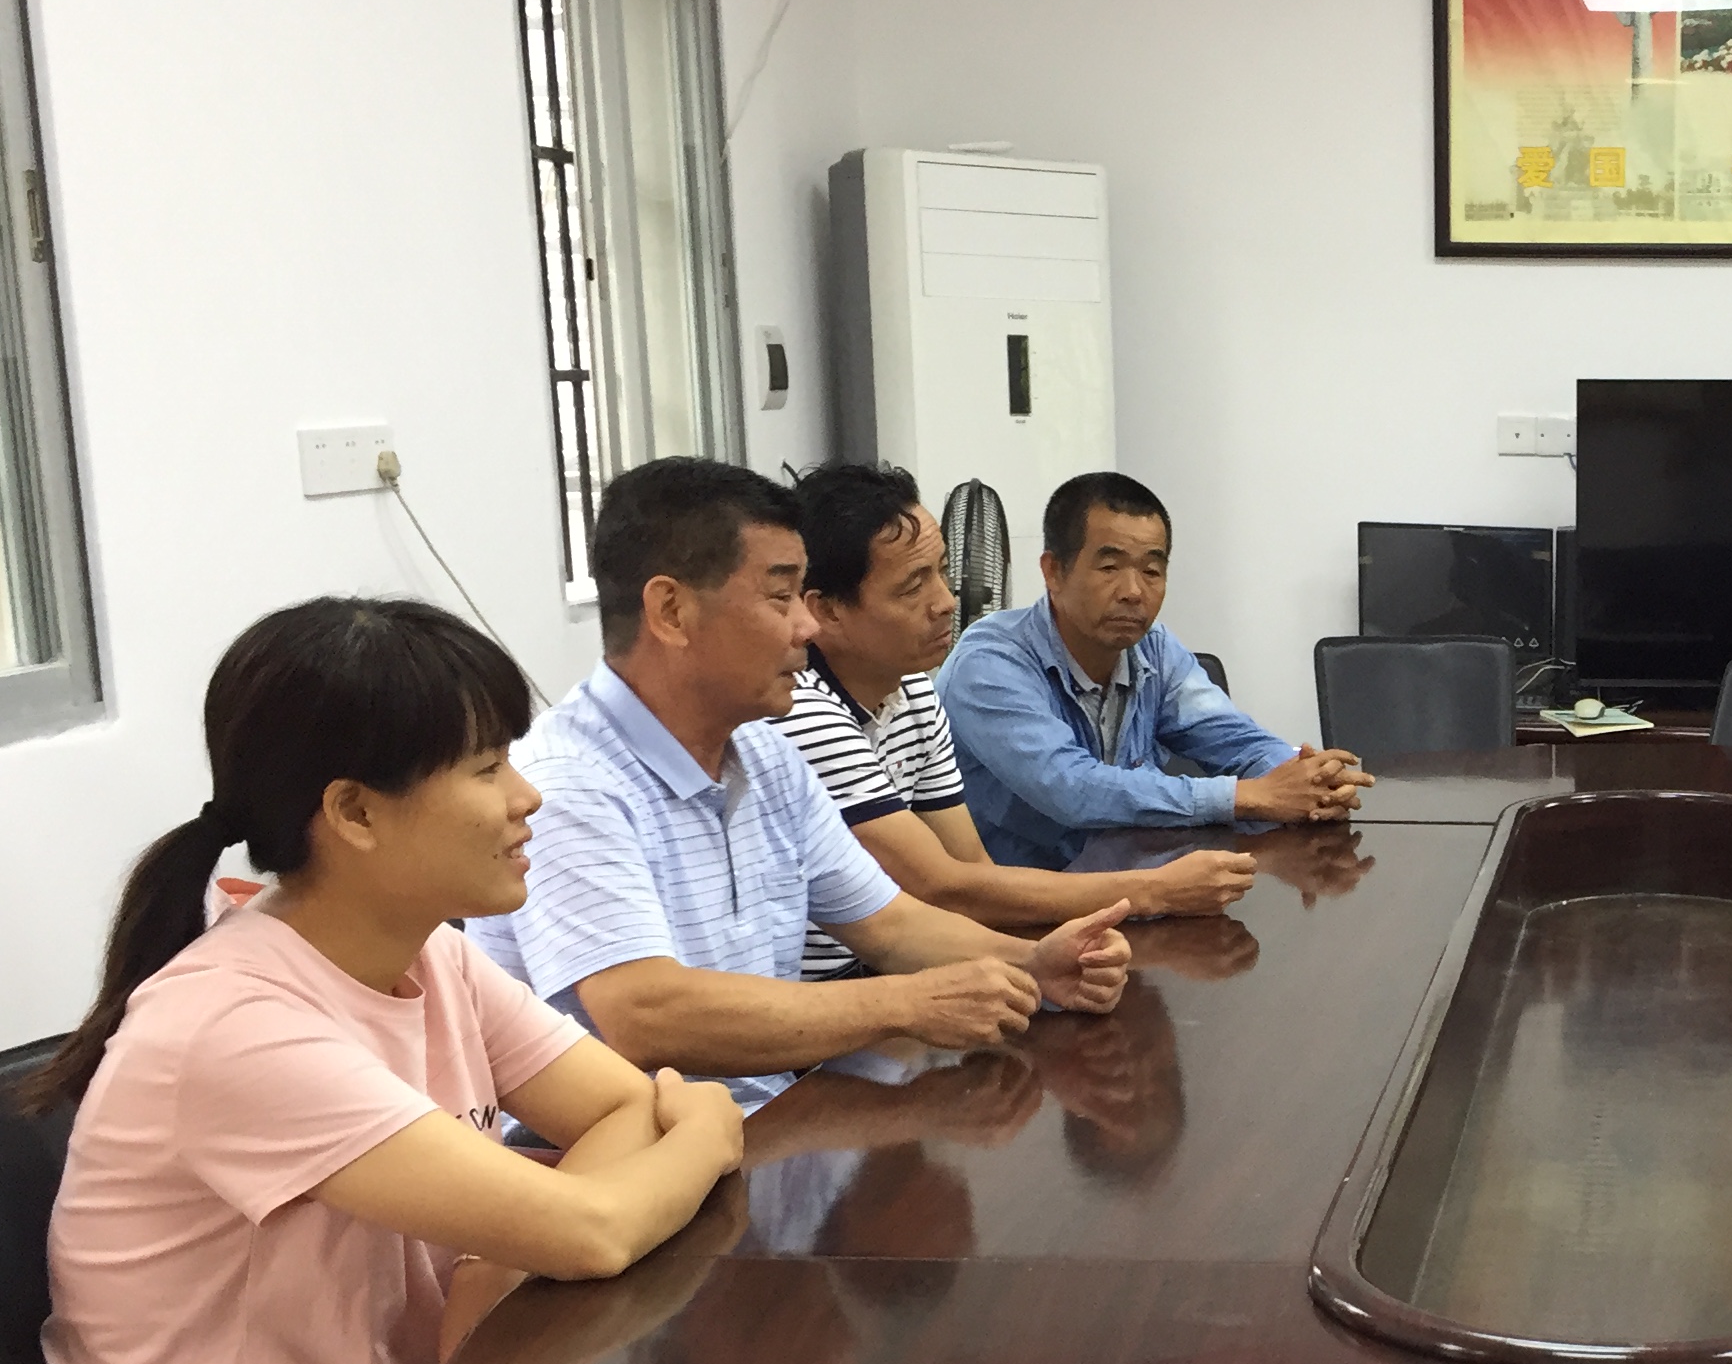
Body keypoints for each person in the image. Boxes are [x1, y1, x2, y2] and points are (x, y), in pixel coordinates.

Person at [29, 597, 746, 1364]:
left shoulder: (431, 959)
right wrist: (702, 1125)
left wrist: (510, 1252)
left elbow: (616, 1109)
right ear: (354, 812)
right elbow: (602, 1216)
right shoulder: (235, 1028)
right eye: (487, 768)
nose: (527, 798)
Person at [469, 459, 1132, 1110]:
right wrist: (905, 1004)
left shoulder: (763, 752)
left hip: (769, 1121)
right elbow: (643, 1012)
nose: (808, 626)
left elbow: (891, 926)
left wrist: (1034, 964)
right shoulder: (570, 782)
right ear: (671, 611)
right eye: (780, 597)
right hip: (629, 1158)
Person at [782, 461, 1258, 981]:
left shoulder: (912, 690)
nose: (947, 601)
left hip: (904, 961)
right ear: (827, 611)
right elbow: (944, 888)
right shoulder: (805, 711)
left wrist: (1042, 960)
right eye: (913, 586)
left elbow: (970, 874)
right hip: (831, 989)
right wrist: (1153, 891)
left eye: (942, 571)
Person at [940, 471, 1372, 869]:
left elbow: (1235, 739)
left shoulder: (1154, 649)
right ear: (1053, 572)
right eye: (1109, 567)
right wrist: (1246, 795)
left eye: (1151, 570)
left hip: (1130, 890)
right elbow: (1072, 789)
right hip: (1013, 909)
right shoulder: (990, 662)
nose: (1133, 592)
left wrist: (1308, 779)